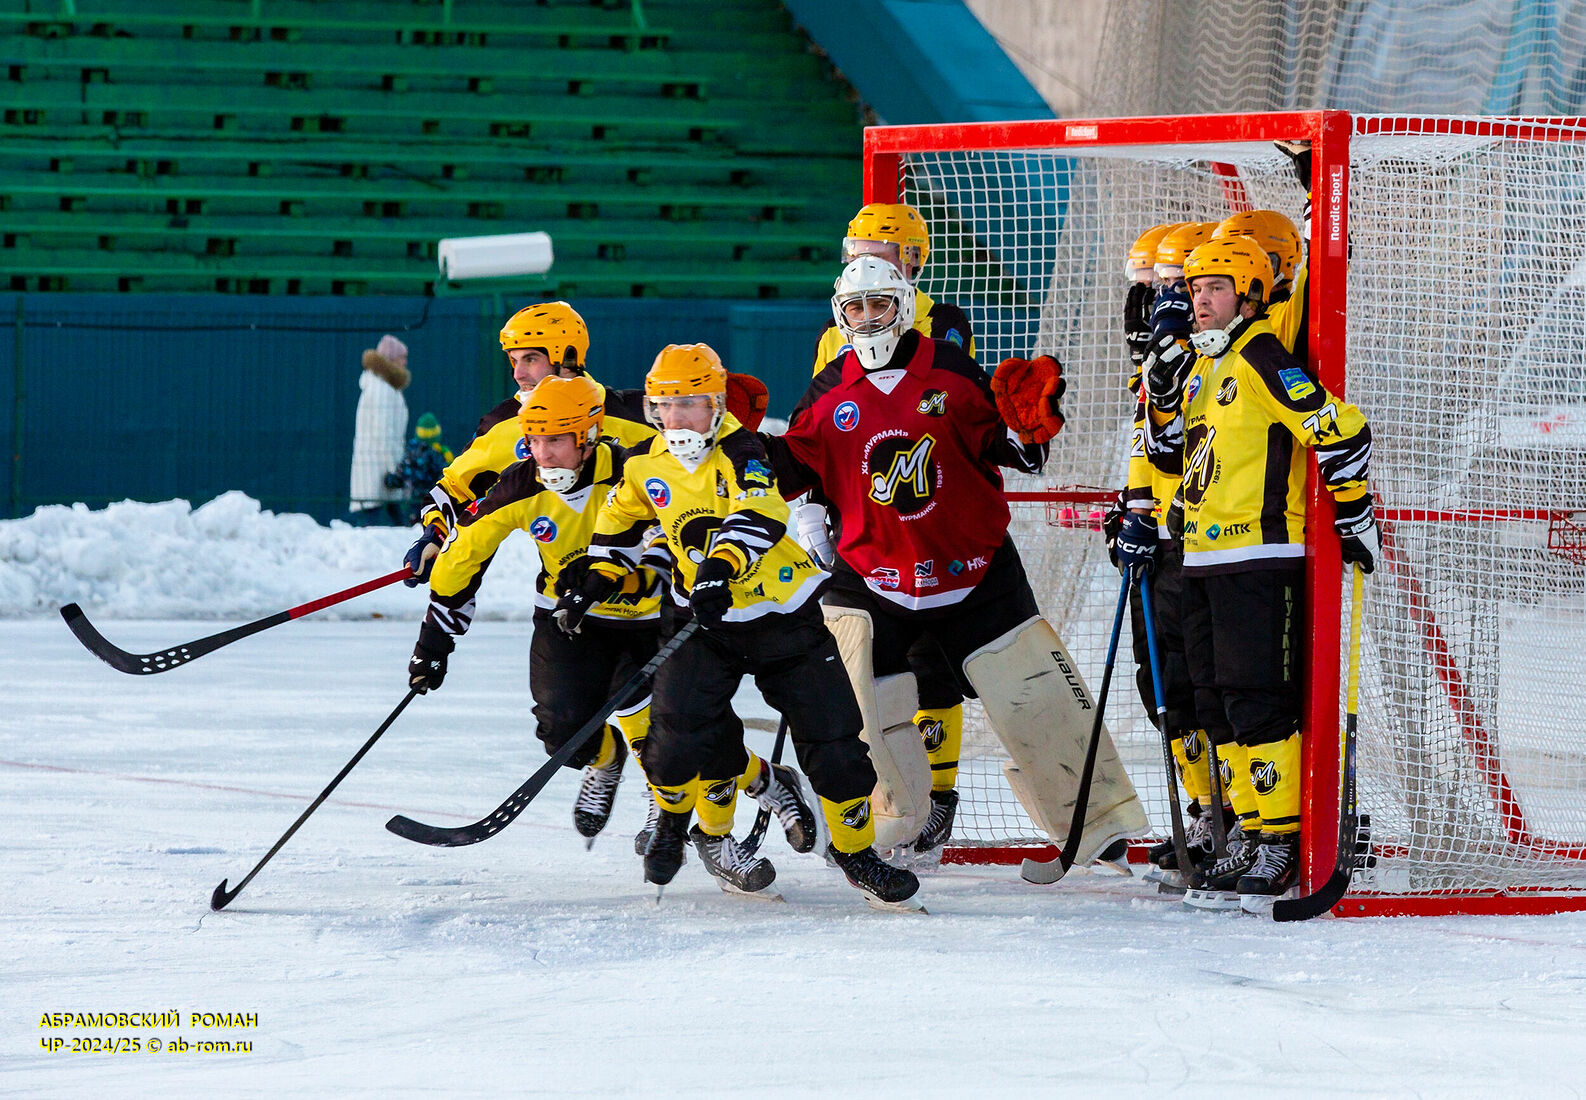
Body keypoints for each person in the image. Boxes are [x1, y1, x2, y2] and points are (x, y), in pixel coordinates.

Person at [765, 256, 1146, 871]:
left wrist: (1029, 432)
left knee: (1037, 693)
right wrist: (743, 448)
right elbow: (796, 465)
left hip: (976, 567)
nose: (868, 319)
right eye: (855, 308)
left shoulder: (950, 370)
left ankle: (1097, 818)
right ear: (840, 314)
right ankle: (888, 821)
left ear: (904, 305)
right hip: (873, 575)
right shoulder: (829, 389)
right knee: (858, 702)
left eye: (880, 305)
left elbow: (1013, 449)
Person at [558, 343, 921, 910]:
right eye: (665, 406)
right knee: (677, 730)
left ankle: (856, 853)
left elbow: (760, 511)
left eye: (689, 404)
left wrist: (719, 567)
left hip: (782, 612)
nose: (676, 418)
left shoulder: (743, 448)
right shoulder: (644, 462)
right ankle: (676, 828)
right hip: (702, 621)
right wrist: (596, 576)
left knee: (835, 739)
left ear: (717, 405)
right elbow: (620, 518)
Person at [1127, 235, 1376, 909]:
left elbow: (1340, 428)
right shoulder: (1205, 365)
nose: (1201, 301)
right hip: (1202, 559)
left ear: (1251, 295)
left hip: (1258, 559)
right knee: (1214, 704)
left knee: (1255, 700)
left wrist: (1353, 511)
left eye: (1216, 288)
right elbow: (1173, 459)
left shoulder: (1261, 354)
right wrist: (1161, 391)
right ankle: (1253, 828)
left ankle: (1283, 838)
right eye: (1195, 289)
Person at [406, 377, 664, 846]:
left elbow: (676, 530)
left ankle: (664, 800)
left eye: (556, 440)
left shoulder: (632, 471)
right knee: (562, 733)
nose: (543, 454)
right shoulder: (520, 484)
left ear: (588, 436)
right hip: (566, 615)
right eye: (534, 441)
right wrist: (434, 641)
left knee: (652, 723)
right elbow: (464, 554)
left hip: (642, 614)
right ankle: (606, 758)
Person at [801, 202, 979, 862]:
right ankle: (888, 794)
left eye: (877, 251)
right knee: (868, 662)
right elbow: (822, 419)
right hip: (861, 514)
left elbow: (944, 409)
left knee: (933, 660)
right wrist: (815, 501)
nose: (862, 263)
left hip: (925, 506)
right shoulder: (835, 329)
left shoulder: (942, 324)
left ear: (912, 260)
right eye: (855, 251)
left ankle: (940, 798)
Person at [1112, 225, 1225, 877]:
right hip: (1155, 539)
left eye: (1164, 288)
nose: (1151, 303)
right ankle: (1204, 806)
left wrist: (1155, 513)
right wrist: (1130, 509)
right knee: (1160, 684)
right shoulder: (1154, 366)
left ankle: (1240, 814)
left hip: (1198, 541)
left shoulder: (1205, 361)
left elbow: (1185, 451)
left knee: (1201, 683)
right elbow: (1145, 451)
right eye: (1148, 288)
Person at [349, 333, 410, 525]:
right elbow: (384, 433)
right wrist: (394, 469)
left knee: (381, 515)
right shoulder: (382, 389)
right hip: (379, 467)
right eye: (402, 357)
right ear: (391, 359)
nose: (405, 362)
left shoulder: (383, 386)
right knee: (375, 518)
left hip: (377, 465)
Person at [385, 413, 454, 526]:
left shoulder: (411, 452)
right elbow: (447, 477)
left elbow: (399, 477)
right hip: (434, 503)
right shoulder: (440, 453)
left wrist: (390, 479)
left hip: (411, 503)